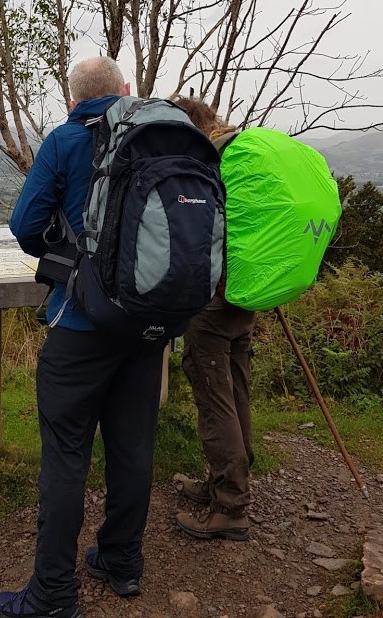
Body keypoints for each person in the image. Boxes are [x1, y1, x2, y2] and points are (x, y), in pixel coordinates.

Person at [0, 57, 167, 618]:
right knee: (132, 447)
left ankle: (52, 593)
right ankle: (122, 562)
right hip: (146, 325)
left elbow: (25, 225)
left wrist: (66, 249)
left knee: (67, 458)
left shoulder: (66, 141)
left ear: (72, 100)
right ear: (126, 90)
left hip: (80, 323)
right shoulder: (158, 138)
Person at [170, 95, 257, 542]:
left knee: (213, 394)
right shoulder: (239, 153)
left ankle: (230, 504)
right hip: (245, 293)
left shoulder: (208, 162)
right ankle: (226, 480)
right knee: (235, 388)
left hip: (216, 299)